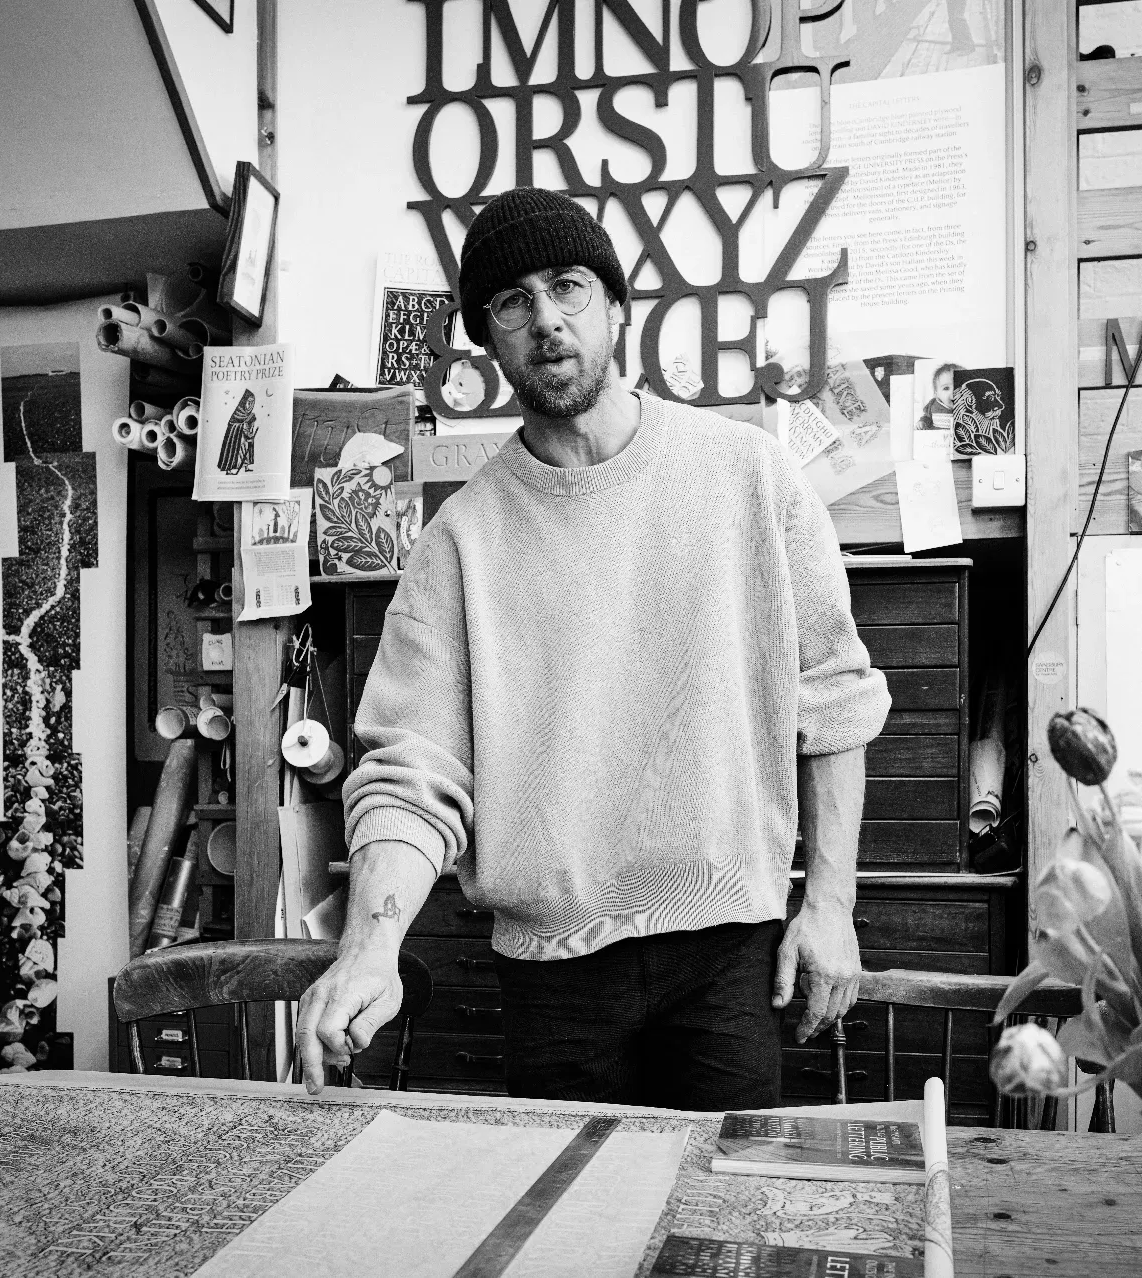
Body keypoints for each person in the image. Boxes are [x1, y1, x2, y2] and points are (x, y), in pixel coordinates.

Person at [293, 187, 890, 1109]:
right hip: (552, 977)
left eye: (568, 287)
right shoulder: (459, 540)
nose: (546, 320)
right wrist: (369, 950)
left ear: (615, 306)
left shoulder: (748, 477)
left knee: (722, 1227)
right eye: (512, 302)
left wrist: (832, 907)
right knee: (571, 1237)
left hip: (730, 950)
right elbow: (413, 771)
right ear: (488, 337)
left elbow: (836, 700)